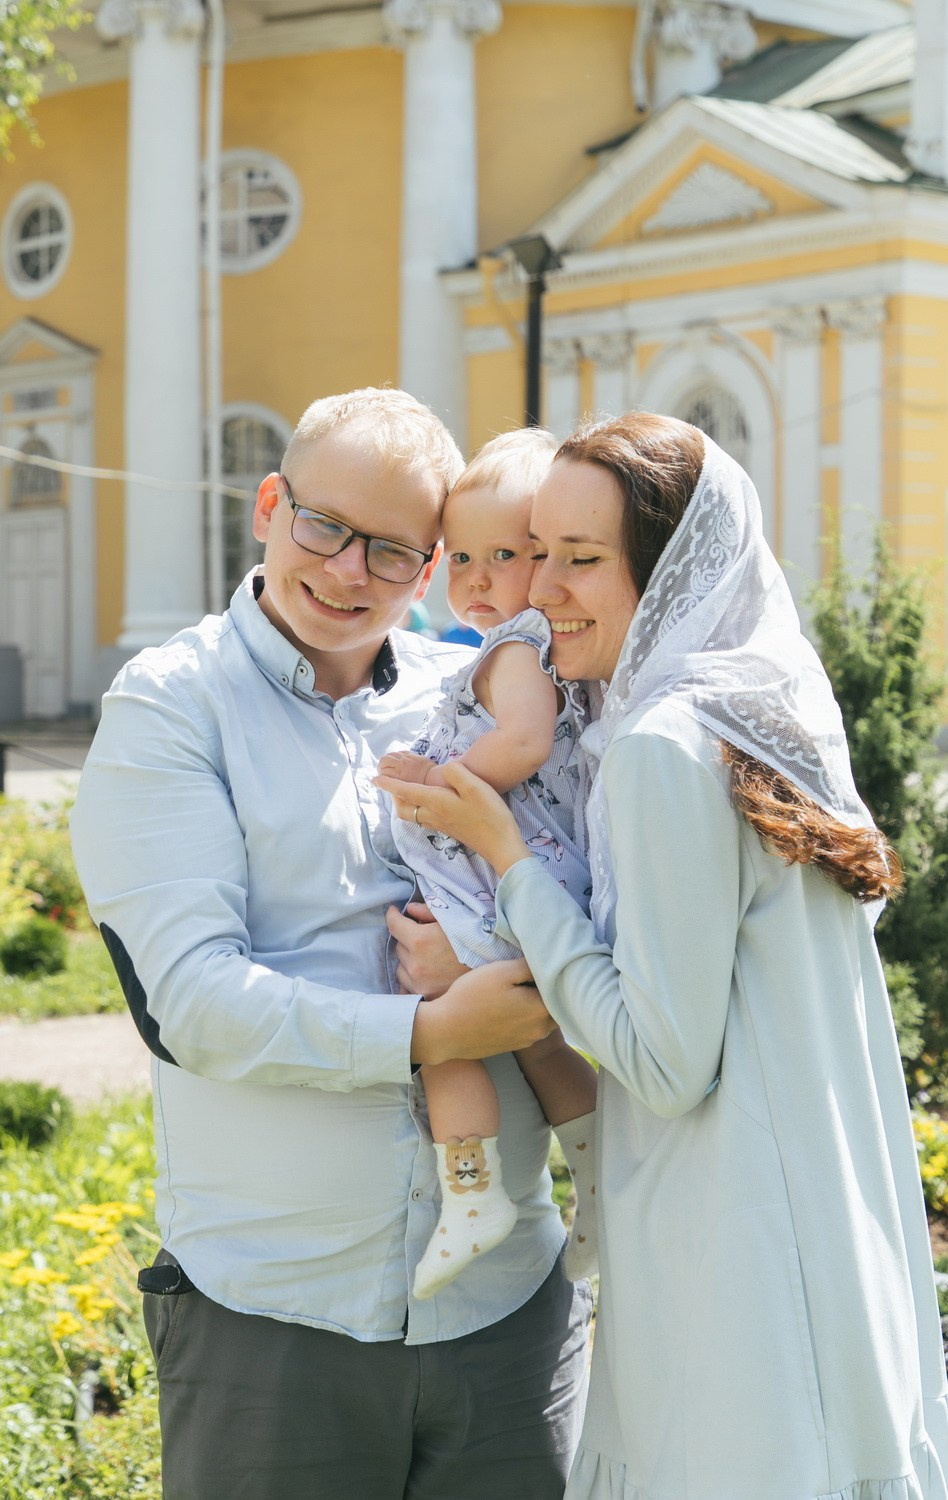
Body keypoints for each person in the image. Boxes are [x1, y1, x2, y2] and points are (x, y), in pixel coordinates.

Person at [375, 413, 948, 1500]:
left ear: (670, 573)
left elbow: (661, 1061)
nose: (539, 590)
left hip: (729, 1257)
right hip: (827, 1227)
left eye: (582, 560)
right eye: (534, 550)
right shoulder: (763, 707)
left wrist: (504, 862)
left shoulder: (657, 750)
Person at [69, 389, 592, 1500]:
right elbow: (195, 1005)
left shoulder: (482, 700)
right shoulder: (172, 707)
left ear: (436, 563)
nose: (351, 571)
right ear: (270, 503)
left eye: (394, 551)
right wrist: (432, 1028)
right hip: (277, 1322)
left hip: (507, 1319)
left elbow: (605, 912)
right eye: (324, 526)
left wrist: (507, 957)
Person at [380, 429, 598, 1300]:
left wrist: (439, 785)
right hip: (536, 872)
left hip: (501, 874)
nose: (473, 578)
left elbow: (524, 741)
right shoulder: (540, 648)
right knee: (540, 1041)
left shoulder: (516, 647)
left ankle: (471, 1196)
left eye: (502, 554)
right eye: (458, 555)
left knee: (434, 1016)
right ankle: (597, 1182)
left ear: (543, 557)